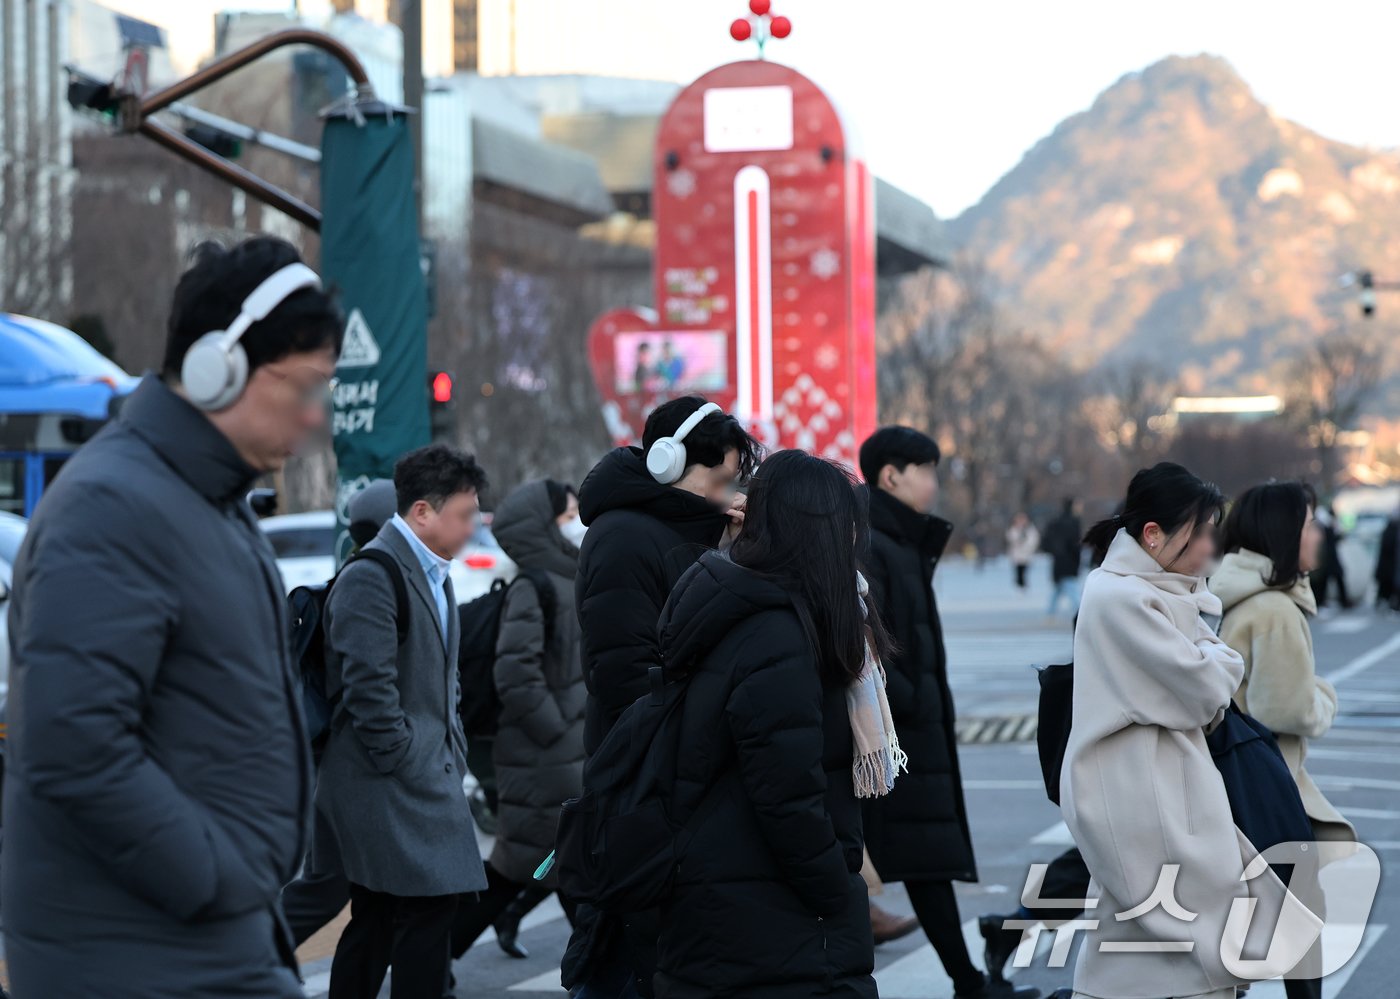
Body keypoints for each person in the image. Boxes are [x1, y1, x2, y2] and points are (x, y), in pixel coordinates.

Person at [3, 236, 340, 996]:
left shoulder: (200, 501)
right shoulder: (112, 507)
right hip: (146, 950)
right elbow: (73, 743)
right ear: (216, 364)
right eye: (305, 386)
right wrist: (217, 877)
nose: (317, 415)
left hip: (195, 941)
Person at [1063, 463, 1315, 999]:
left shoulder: (1162, 590)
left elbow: (1211, 669)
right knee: (1177, 931)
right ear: (1153, 534)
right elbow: (1206, 689)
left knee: (1160, 936)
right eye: (1198, 532)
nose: (1209, 546)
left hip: (1164, 778)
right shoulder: (1120, 597)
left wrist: (1208, 657)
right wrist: (1210, 658)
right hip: (1136, 787)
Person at [653, 449, 894, 997]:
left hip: (741, 902)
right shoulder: (777, 634)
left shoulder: (761, 611)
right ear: (817, 534)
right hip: (765, 913)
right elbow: (786, 795)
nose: (854, 545)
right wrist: (837, 889)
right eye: (846, 529)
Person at [565, 395, 760, 998]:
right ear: (668, 465)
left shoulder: (691, 534)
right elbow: (625, 678)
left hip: (683, 772)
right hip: (644, 779)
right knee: (631, 958)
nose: (729, 495)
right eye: (720, 480)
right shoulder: (622, 538)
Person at [858, 427, 1037, 999]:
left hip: (910, 727)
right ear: (892, 475)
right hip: (896, 732)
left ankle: (967, 981)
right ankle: (967, 982)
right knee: (919, 858)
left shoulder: (900, 538)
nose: (936, 482)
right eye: (927, 470)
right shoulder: (875, 541)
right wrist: (910, 702)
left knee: (919, 857)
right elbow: (873, 641)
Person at [316, 444, 489, 999]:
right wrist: (407, 756)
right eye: (464, 515)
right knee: (425, 911)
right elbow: (369, 688)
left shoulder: (433, 571)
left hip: (414, 774)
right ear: (421, 512)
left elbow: (443, 676)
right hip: (386, 780)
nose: (472, 528)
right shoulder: (373, 574)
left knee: (380, 918)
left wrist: (449, 744)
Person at [1214, 482, 1357, 999]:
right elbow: (1287, 707)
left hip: (1236, 776)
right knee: (1299, 910)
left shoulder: (1244, 598)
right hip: (1267, 780)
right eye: (1309, 523)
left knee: (1261, 909)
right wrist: (1326, 697)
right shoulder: (1275, 610)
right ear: (1284, 533)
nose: (1319, 533)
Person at [450, 479, 586, 959]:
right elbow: (515, 671)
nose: (577, 527)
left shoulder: (569, 577)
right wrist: (555, 730)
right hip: (543, 752)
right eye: (568, 518)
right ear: (542, 528)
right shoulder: (535, 585)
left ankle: (435, 952)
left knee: (533, 862)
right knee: (561, 865)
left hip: (564, 751)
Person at [282, 478, 398, 948]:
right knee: (330, 887)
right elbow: (366, 685)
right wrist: (398, 746)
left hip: (350, 764)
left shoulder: (370, 578)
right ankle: (232, 960)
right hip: (352, 768)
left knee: (372, 894)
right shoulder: (365, 584)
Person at [1042, 499, 1083, 619]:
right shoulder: (1073, 523)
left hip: (1058, 561)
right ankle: (1080, 613)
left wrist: (1055, 552)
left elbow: (1046, 542)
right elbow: (1075, 545)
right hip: (1069, 562)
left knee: (1058, 588)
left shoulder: (1055, 522)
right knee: (1071, 589)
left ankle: (1050, 612)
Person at [1309, 504, 1352, 610]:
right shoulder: (1325, 524)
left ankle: (1324, 602)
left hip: (1328, 558)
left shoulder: (1324, 523)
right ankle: (1325, 602)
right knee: (1327, 581)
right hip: (1328, 558)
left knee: (1328, 580)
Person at [1006, 512, 1041, 591]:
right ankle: (1019, 585)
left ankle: (1023, 585)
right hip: (1017, 554)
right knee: (1018, 570)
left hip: (1026, 553)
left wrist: (1027, 546)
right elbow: (1011, 538)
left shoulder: (1030, 529)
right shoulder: (1014, 529)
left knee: (1025, 570)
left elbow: (1034, 539)